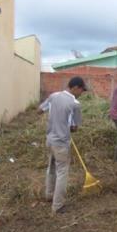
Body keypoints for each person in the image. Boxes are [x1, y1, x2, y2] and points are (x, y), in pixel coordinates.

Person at [38, 76, 87, 213]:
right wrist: (68, 126)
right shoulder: (75, 104)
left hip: (50, 140)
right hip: (61, 143)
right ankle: (57, 205)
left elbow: (39, 110)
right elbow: (74, 128)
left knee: (51, 167)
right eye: (81, 90)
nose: (81, 94)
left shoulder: (53, 96)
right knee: (62, 172)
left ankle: (49, 195)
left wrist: (54, 119)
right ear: (75, 87)